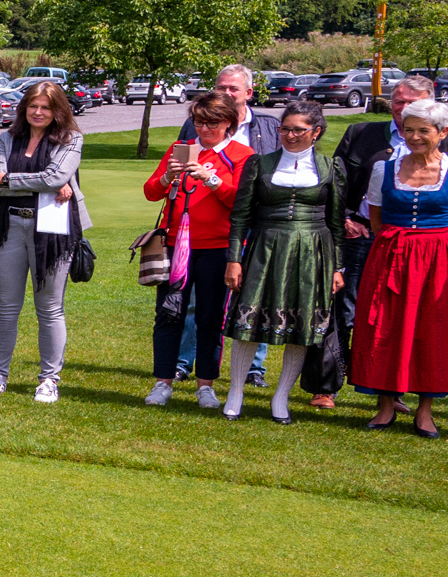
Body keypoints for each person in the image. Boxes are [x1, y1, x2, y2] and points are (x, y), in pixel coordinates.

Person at [219, 100, 345, 424]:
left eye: (298, 130)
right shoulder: (258, 163)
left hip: (312, 253)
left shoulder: (330, 167)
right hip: (265, 248)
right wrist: (234, 259)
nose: (290, 135)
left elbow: (336, 223)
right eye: (285, 128)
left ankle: (280, 398)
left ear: (316, 132)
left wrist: (338, 267)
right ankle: (235, 393)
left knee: (301, 327)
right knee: (248, 324)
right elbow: (240, 216)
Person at [0, 81, 87, 404]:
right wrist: (45, 183)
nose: (38, 112)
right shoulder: (7, 138)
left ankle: (49, 380)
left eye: (46, 107)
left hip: (53, 229)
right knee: (5, 307)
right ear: (24, 107)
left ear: (58, 111)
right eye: (33, 106)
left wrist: (10, 178)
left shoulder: (71, 139)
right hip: (8, 225)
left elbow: (54, 177)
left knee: (50, 308)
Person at [175, 63, 285, 383]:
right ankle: (184, 361)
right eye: (220, 87)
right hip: (211, 226)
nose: (225, 92)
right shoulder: (193, 124)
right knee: (197, 301)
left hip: (258, 223)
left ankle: (254, 368)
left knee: (254, 295)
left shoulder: (268, 126)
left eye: (232, 88)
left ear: (248, 93)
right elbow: (182, 167)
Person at [141, 91, 251, 409]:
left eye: (212, 123)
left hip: (217, 249)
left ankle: (206, 385)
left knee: (210, 318)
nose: (204, 129)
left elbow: (242, 201)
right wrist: (167, 177)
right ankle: (163, 382)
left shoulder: (241, 155)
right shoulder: (180, 149)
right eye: (199, 122)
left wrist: (211, 179)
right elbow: (150, 192)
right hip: (176, 247)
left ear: (228, 123)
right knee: (169, 314)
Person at [336, 75, 438, 413]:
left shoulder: (443, 147)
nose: (402, 107)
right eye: (398, 101)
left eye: (411, 103)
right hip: (373, 240)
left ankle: (412, 397)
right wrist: (347, 218)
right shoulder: (365, 138)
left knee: (422, 323)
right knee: (360, 315)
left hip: (432, 251)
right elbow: (341, 184)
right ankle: (336, 384)